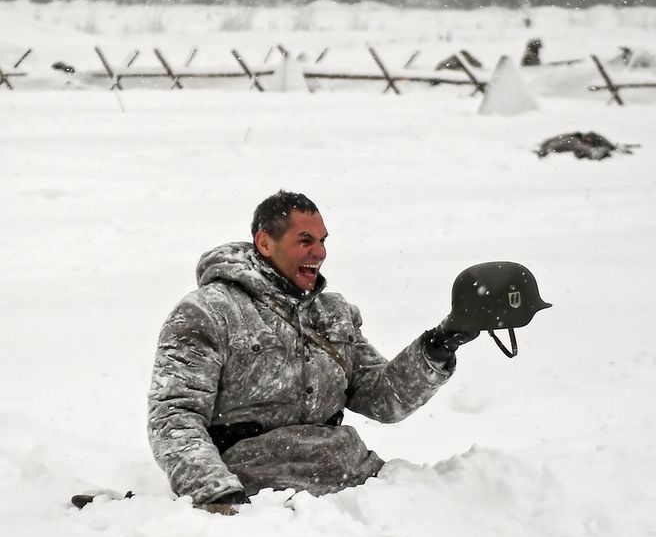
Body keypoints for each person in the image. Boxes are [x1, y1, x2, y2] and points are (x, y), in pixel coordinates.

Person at [147, 191, 477, 512]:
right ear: (265, 243)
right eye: (305, 241)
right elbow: (174, 416)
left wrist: (439, 345)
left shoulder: (333, 314)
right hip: (260, 497)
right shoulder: (209, 312)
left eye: (322, 241)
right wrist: (215, 494)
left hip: (357, 484)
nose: (319, 253)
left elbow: (383, 399)